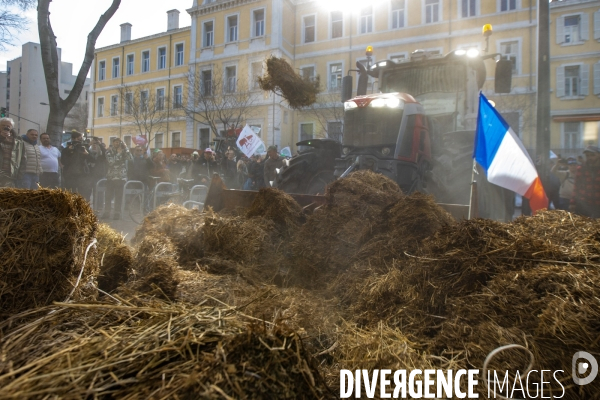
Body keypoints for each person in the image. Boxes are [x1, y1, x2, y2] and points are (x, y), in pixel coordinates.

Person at [103, 138, 133, 220]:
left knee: (118, 196)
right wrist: (119, 154)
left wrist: (126, 148)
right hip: (111, 177)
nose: (117, 144)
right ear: (113, 143)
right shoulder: (109, 152)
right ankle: (107, 212)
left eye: (119, 142)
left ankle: (117, 213)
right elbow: (111, 162)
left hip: (120, 177)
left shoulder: (123, 151)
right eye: (116, 142)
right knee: (108, 196)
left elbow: (130, 158)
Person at [570, 146, 600, 218]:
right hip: (584, 204)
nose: (590, 158)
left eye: (593, 155)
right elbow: (576, 187)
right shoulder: (581, 168)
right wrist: (572, 203)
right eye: (587, 155)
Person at [61, 130, 92, 200]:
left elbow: (93, 159)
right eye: (78, 139)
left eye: (81, 139)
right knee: (70, 193)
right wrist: (69, 151)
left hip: (82, 174)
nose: (79, 141)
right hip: (70, 174)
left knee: (83, 193)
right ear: (72, 139)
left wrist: (86, 154)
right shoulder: (66, 149)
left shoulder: (83, 148)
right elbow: (63, 161)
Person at [0, 118, 24, 188]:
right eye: (3, 125)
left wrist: (20, 174)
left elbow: (23, 158)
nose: (6, 127)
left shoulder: (18, 140)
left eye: (8, 126)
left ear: (12, 127)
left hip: (10, 173)